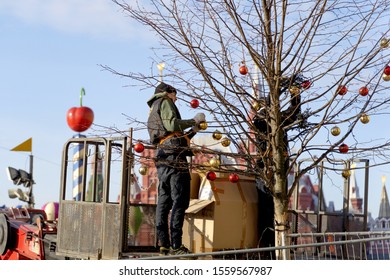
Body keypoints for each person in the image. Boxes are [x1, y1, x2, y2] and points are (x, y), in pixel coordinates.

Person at [147, 82, 205, 256]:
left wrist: (193, 130)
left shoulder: (153, 110)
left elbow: (170, 134)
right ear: (167, 92)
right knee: (180, 200)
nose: (176, 98)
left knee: (164, 202)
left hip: (163, 155)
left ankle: (164, 244)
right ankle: (176, 245)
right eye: (175, 94)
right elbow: (172, 126)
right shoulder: (165, 101)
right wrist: (193, 120)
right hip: (174, 158)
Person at [252, 89, 301, 259]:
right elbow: (287, 117)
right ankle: (268, 252)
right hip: (267, 169)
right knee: (267, 212)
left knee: (276, 209)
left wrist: (295, 94)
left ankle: (276, 251)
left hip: (276, 168)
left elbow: (293, 114)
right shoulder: (260, 119)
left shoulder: (274, 119)